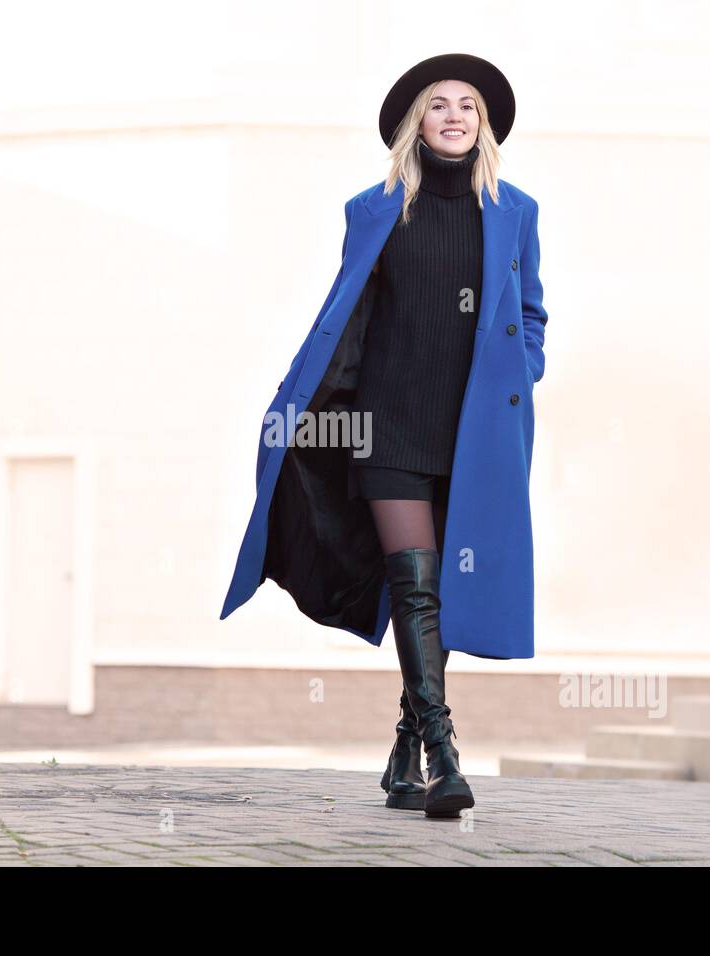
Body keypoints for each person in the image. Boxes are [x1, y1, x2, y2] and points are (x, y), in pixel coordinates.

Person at [221, 53, 547, 820]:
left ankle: (405, 752)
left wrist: (522, 369)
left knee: (434, 589)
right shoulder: (373, 209)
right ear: (417, 124)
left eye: (468, 104)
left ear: (484, 124)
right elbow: (346, 312)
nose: (456, 115)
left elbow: (531, 312)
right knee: (415, 583)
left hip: (472, 433)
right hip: (386, 426)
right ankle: (444, 755)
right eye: (440, 104)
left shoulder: (515, 211)